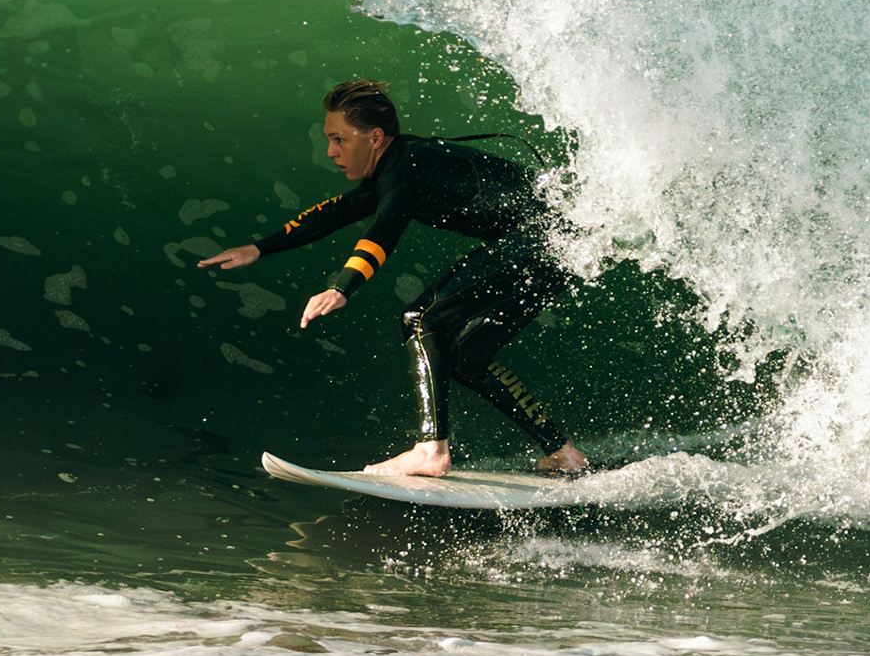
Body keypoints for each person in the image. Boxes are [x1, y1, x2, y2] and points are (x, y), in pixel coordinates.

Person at [200, 79, 588, 478]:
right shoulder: (400, 164)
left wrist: (342, 287)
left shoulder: (404, 169)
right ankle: (562, 452)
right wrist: (258, 248)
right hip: (563, 242)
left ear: (375, 138)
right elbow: (338, 211)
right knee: (467, 357)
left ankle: (431, 450)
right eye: (329, 140)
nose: (331, 151)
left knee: (421, 319)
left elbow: (383, 231)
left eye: (339, 139)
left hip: (544, 237)